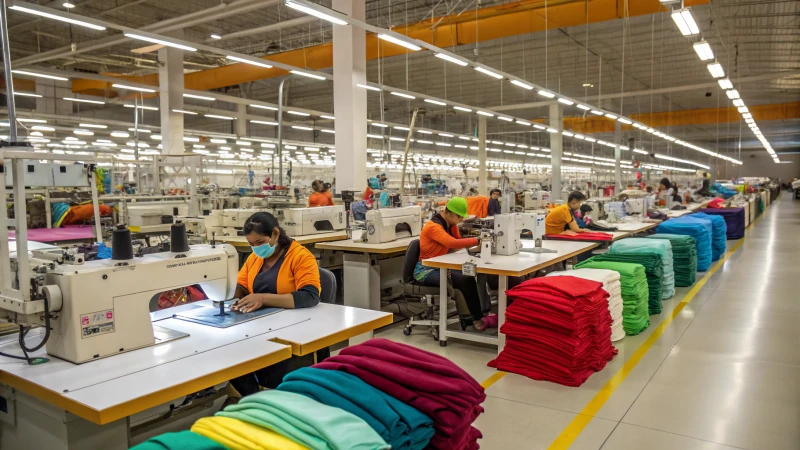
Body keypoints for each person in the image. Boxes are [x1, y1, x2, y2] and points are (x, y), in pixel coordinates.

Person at [229, 212, 322, 395]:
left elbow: (310, 296)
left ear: (275, 234)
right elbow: (241, 284)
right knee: (228, 354)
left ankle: (263, 397)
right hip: (262, 323)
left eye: (260, 242)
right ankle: (253, 398)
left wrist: (262, 298)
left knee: (239, 355)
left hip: (294, 328)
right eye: (251, 244)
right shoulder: (254, 258)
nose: (255, 248)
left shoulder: (300, 256)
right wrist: (225, 294)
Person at [414, 198, 496, 331]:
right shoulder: (432, 227)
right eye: (459, 217)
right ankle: (470, 318)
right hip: (426, 270)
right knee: (459, 280)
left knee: (468, 278)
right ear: (449, 213)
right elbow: (452, 243)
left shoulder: (450, 226)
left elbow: (457, 244)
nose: (461, 220)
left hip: (442, 266)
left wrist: (479, 247)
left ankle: (476, 317)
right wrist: (478, 240)